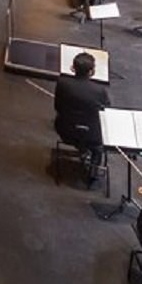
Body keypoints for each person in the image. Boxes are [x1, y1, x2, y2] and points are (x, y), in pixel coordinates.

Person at [54, 51, 108, 185]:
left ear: (73, 68)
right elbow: (106, 112)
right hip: (91, 136)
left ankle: (82, 149)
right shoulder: (99, 90)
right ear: (91, 71)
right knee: (98, 146)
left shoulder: (62, 83)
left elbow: (57, 107)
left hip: (65, 131)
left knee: (80, 131)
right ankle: (92, 173)